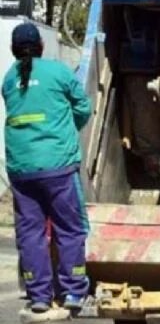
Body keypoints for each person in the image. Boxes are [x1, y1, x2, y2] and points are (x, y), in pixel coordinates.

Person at [4, 23, 92, 316]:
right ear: (41, 46)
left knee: (30, 233)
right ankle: (73, 291)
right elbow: (83, 108)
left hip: (22, 170)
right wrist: (68, 130)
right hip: (58, 167)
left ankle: (39, 295)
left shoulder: (8, 79)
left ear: (13, 50)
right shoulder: (59, 72)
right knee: (70, 228)